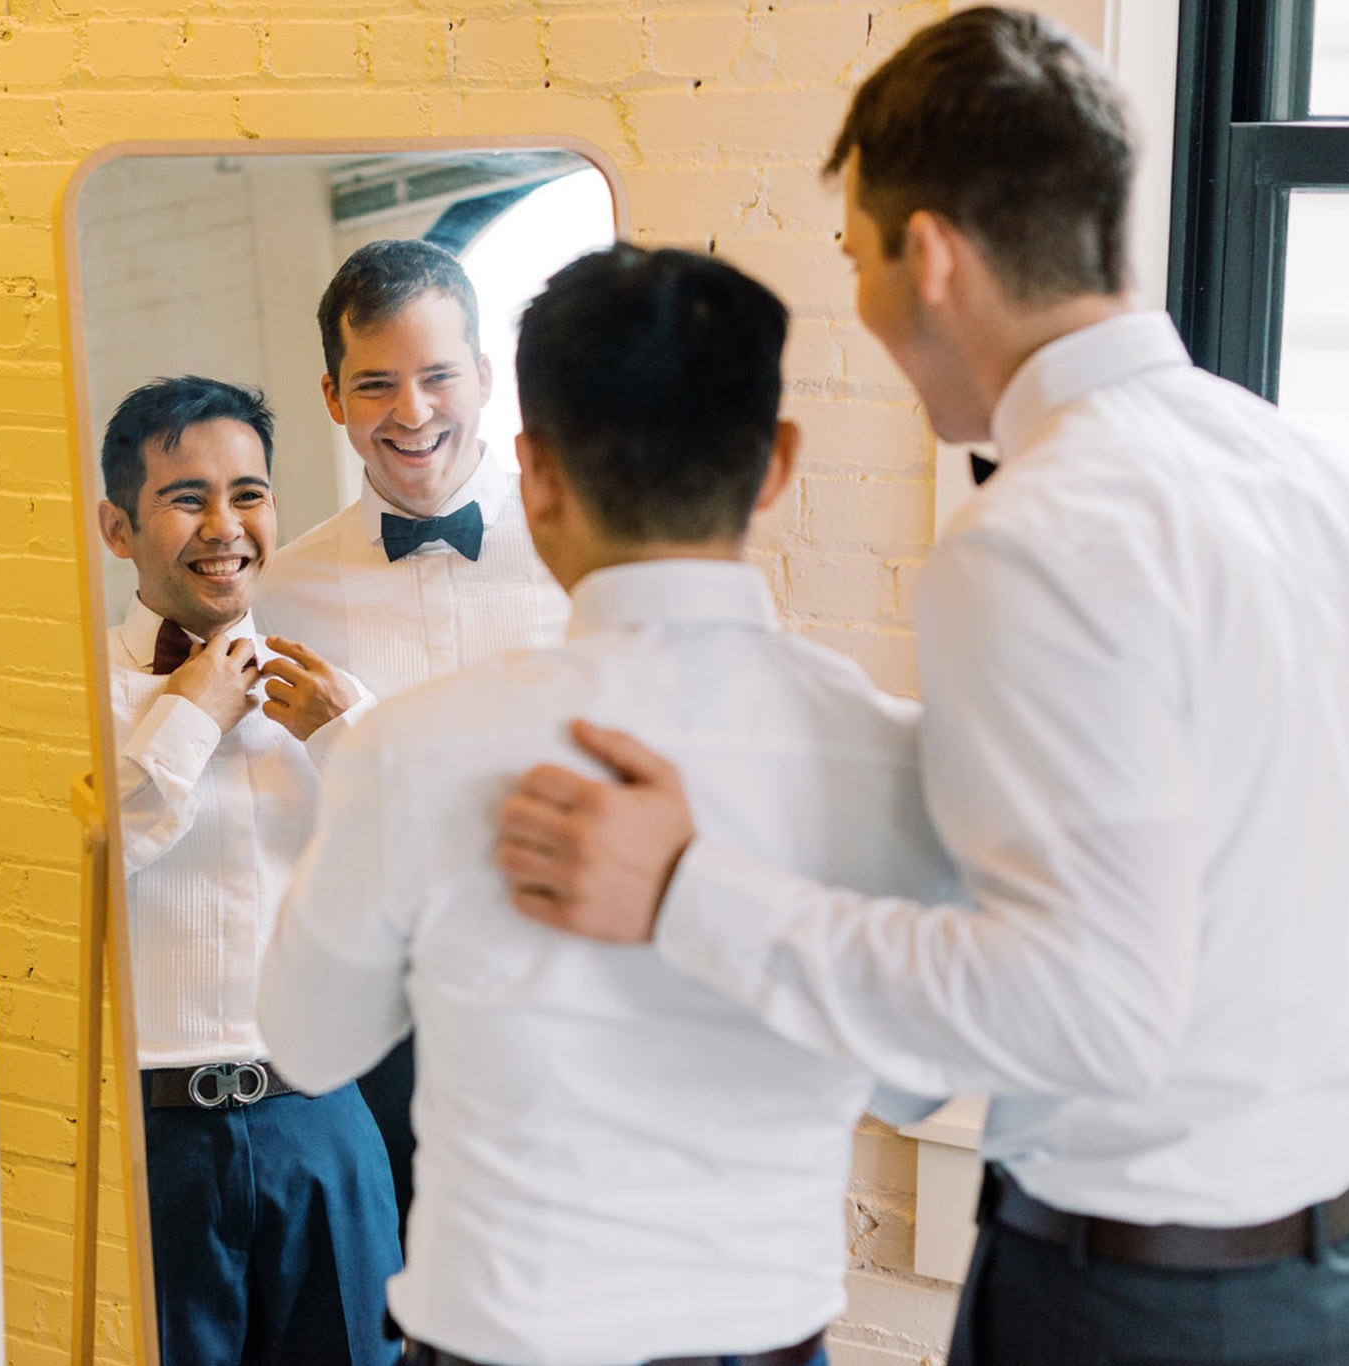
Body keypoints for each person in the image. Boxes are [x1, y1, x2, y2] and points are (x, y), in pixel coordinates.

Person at [495, 10, 1349, 1366]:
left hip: (1149, 1312)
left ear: (934, 258)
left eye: (856, 259)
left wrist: (686, 887)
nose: (865, 308)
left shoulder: (1033, 540)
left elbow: (1080, 1006)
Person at [256, 244, 959, 1366]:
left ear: (531, 471)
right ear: (776, 464)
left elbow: (303, 1044)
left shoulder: (404, 749)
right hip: (766, 1339)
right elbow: (925, 1079)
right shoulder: (882, 750)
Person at [257, 238, 571, 1234]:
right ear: (330, 395)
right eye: (376, 384)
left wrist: (350, 737)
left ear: (484, 376)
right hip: (377, 1029)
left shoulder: (580, 552)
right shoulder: (280, 595)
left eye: (438, 376)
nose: (411, 412)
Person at [95, 375, 400, 1366]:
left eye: (249, 492)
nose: (225, 525)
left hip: (322, 1127)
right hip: (151, 1144)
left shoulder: (332, 696)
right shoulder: (73, 701)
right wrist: (186, 718)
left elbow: (425, 894)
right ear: (116, 526)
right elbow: (74, 880)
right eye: (187, 497)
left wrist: (343, 740)